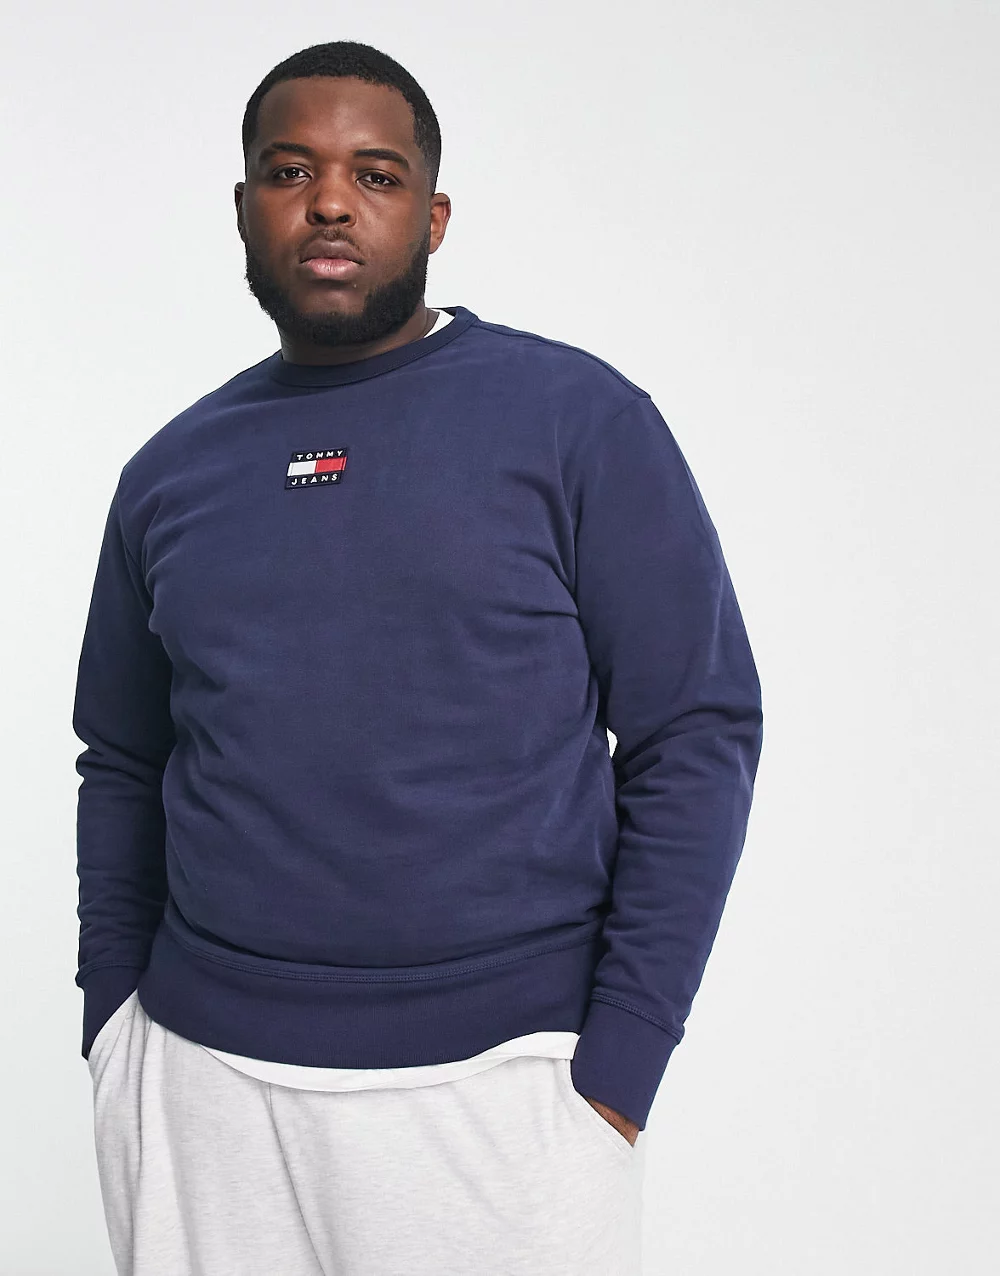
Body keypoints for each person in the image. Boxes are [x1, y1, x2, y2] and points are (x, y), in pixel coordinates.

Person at [73, 38, 764, 1276]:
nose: (330, 202)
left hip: (500, 1092)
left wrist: (622, 1055)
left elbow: (695, 730)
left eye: (375, 174)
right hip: (200, 1087)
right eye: (290, 170)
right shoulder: (171, 473)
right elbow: (122, 756)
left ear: (433, 217)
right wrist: (113, 1021)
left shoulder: (575, 422)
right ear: (244, 209)